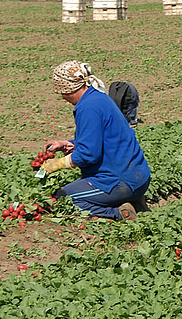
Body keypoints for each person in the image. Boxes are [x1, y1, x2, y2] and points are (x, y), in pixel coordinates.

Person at [43, 61, 150, 221]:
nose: (63, 98)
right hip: (138, 176)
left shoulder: (88, 108)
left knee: (60, 199)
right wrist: (69, 143)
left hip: (119, 181)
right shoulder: (98, 97)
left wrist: (59, 164)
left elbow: (88, 155)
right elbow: (100, 138)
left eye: (63, 93)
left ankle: (119, 212)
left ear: (69, 88)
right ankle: (132, 199)